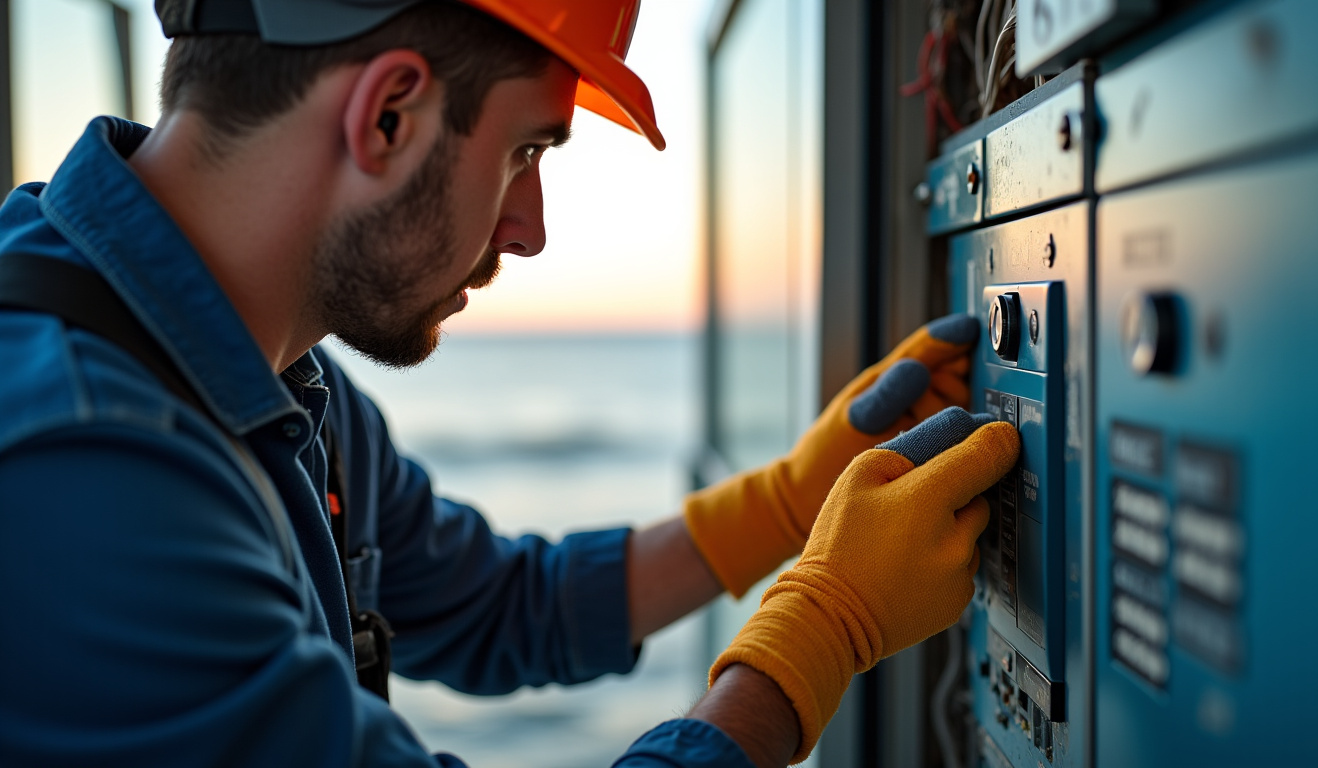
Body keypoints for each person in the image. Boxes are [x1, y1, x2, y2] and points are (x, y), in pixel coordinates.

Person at [0, 1, 1019, 766]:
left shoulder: (278, 379)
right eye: (526, 150)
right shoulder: (79, 472)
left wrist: (791, 505)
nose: (531, 229)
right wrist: (819, 634)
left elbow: (498, 607)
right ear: (389, 115)